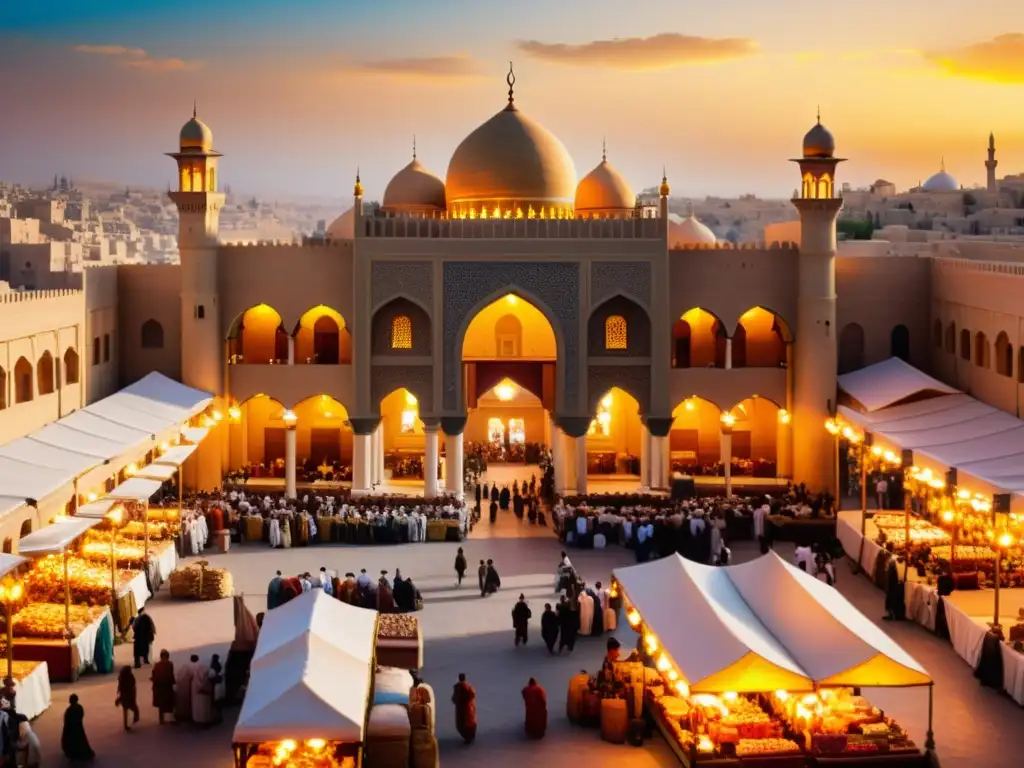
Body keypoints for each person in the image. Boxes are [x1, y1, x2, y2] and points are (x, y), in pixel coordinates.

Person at [61, 694, 94, 762]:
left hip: (71, 729)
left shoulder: (70, 709)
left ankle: (74, 754)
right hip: (78, 727)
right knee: (80, 740)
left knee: (73, 742)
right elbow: (81, 716)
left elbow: (67, 720)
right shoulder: (79, 707)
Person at [150, 649, 175, 725]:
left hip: (159, 687)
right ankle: (168, 719)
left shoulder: (157, 665)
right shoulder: (169, 664)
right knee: (168, 703)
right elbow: (171, 676)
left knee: (161, 704)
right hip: (166, 687)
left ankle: (162, 720)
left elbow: (153, 676)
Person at [451, 673, 477, 745]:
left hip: (461, 710)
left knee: (462, 724)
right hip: (469, 708)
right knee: (470, 722)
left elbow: (454, 699)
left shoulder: (457, 687)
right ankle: (470, 737)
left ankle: (468, 738)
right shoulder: (469, 687)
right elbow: (472, 695)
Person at [191, 655, 215, 726]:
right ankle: (205, 720)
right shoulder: (203, 672)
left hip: (197, 694)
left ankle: (198, 720)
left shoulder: (195, 679)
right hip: (203, 694)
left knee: (198, 707)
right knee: (204, 707)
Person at [115, 665, 140, 732]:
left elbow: (119, 688)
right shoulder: (130, 677)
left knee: (125, 711)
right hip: (130, 696)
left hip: (124, 697)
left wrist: (119, 697)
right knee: (135, 709)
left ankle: (125, 725)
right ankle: (135, 718)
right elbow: (133, 685)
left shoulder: (121, 678)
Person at [174, 654, 196, 722]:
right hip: (187, 688)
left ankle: (179, 716)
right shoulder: (193, 667)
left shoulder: (184, 667)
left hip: (180, 688)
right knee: (187, 703)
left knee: (180, 703)